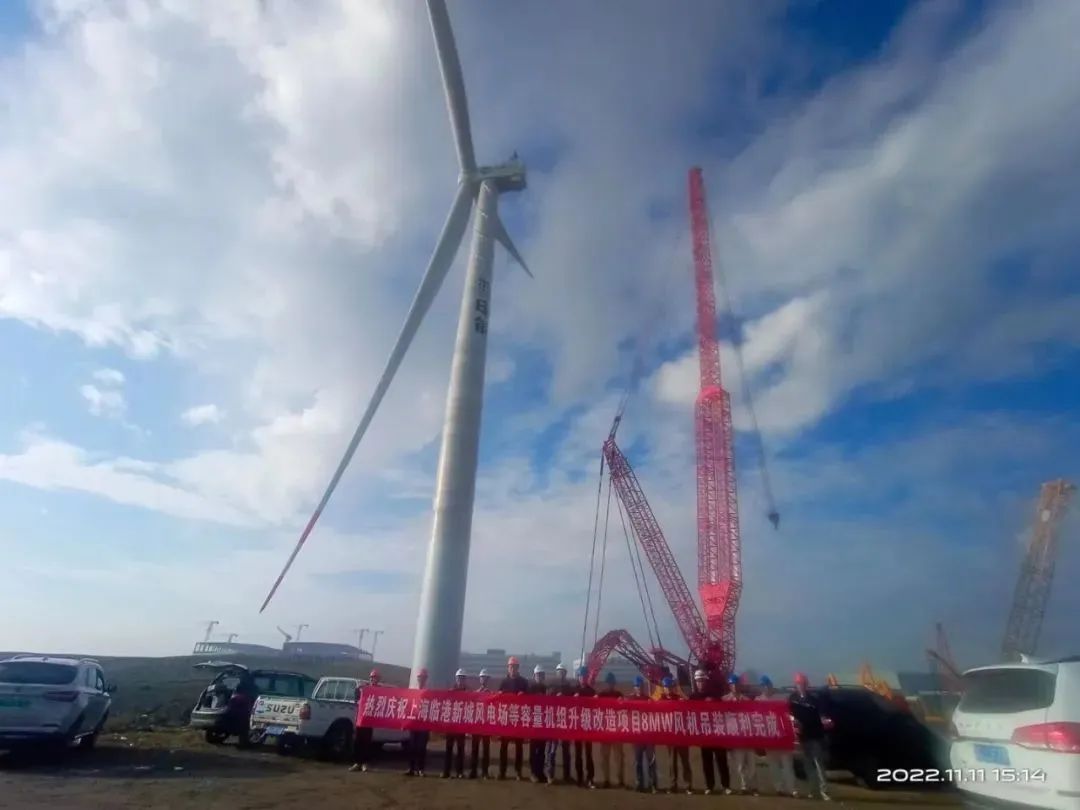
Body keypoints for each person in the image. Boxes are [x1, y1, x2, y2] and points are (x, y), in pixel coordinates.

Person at [790, 672, 831, 801]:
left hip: (815, 736)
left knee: (819, 764)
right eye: (798, 683)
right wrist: (793, 720)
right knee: (808, 766)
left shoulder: (814, 699)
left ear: (806, 685)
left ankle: (824, 791)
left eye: (802, 683)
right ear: (795, 685)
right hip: (803, 737)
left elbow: (821, 715)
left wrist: (825, 720)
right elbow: (789, 714)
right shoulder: (792, 699)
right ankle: (813, 791)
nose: (800, 685)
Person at [689, 668, 729, 795]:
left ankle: (726, 785)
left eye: (701, 681)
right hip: (704, 733)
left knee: (721, 760)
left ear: (705, 681)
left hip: (717, 732)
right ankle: (709, 786)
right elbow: (688, 714)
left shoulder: (715, 695)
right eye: (698, 681)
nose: (700, 683)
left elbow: (724, 711)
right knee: (706, 761)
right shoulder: (693, 697)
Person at [758, 675, 797, 797]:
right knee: (773, 765)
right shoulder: (758, 701)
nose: (765, 688)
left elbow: (789, 715)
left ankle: (792, 789)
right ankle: (779, 788)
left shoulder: (780, 699)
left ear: (771, 685)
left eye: (767, 685)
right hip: (769, 738)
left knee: (787, 765)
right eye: (763, 686)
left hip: (783, 737)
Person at [722, 673, 756, 795]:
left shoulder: (747, 700)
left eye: (736, 684)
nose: (734, 686)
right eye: (732, 684)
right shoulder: (724, 700)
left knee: (752, 764)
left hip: (748, 736)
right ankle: (744, 786)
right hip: (736, 737)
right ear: (730, 686)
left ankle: (753, 787)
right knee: (740, 765)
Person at [659, 676, 693, 794]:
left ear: (673, 687)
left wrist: (683, 697)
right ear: (663, 688)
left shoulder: (679, 699)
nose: (668, 689)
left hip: (681, 735)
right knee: (671, 762)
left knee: (685, 761)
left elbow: (690, 706)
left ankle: (688, 785)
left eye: (669, 687)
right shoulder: (660, 702)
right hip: (670, 737)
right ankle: (673, 785)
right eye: (666, 687)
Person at [498, 656, 529, 780]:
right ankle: (502, 771)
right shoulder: (503, 682)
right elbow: (497, 699)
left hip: (518, 718)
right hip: (506, 719)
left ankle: (518, 771)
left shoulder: (523, 682)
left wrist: (524, 695)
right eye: (511, 666)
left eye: (515, 667)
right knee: (503, 746)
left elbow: (530, 700)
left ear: (518, 668)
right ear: (508, 668)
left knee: (519, 747)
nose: (513, 669)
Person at [545, 663, 574, 784]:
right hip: (553, 722)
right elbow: (546, 699)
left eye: (563, 671)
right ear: (556, 672)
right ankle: (550, 775)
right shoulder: (551, 686)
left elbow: (574, 702)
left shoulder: (569, 687)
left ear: (565, 673)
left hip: (565, 722)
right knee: (551, 750)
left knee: (566, 751)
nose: (561, 673)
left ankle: (567, 775)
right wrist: (555, 695)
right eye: (559, 671)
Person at [596, 672, 626, 789]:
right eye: (609, 683)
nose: (610, 685)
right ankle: (606, 780)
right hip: (605, 732)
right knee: (605, 757)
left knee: (619, 757)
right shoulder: (601, 695)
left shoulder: (619, 694)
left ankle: (621, 780)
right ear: (606, 683)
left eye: (612, 683)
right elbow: (591, 704)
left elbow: (627, 706)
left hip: (617, 732)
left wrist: (623, 700)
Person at [628, 675, 657, 793]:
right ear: (634, 687)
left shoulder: (648, 700)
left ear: (642, 687)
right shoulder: (630, 700)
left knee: (651, 761)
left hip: (649, 735)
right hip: (637, 735)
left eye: (639, 685)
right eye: (636, 686)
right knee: (638, 761)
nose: (638, 688)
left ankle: (653, 784)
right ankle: (639, 783)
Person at [349, 669, 382, 773]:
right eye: (372, 677)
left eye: (375, 677)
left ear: (378, 679)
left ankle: (365, 763)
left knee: (367, 742)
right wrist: (358, 689)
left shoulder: (380, 690)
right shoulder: (364, 688)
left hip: (369, 720)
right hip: (361, 719)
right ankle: (357, 763)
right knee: (358, 741)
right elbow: (356, 697)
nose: (373, 679)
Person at [441, 669, 469, 779]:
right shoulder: (450, 692)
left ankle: (459, 772)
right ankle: (446, 771)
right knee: (448, 749)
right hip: (451, 726)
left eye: (462, 678)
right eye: (459, 678)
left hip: (461, 726)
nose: (460, 680)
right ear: (456, 679)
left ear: (464, 680)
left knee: (460, 750)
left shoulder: (468, 693)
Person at [573, 666, 596, 789]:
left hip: (587, 725)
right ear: (578, 677)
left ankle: (590, 778)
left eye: (585, 676)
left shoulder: (591, 691)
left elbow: (598, 705)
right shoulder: (574, 691)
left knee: (588, 754)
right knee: (578, 754)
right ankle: (579, 778)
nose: (583, 678)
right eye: (581, 676)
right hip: (577, 725)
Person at [405, 668, 430, 777]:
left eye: (423, 677)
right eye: (420, 677)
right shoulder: (413, 691)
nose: (421, 679)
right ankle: (411, 768)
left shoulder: (429, 692)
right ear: (418, 678)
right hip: (413, 723)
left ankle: (420, 769)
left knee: (421, 747)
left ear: (426, 679)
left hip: (424, 725)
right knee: (412, 747)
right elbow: (408, 705)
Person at [469, 668, 493, 779]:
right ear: (480, 679)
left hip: (486, 725)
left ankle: (485, 772)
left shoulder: (491, 694)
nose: (484, 679)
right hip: (476, 725)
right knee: (474, 749)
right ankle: (473, 771)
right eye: (482, 677)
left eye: (485, 677)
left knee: (486, 749)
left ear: (488, 679)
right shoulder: (475, 694)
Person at [528, 664, 548, 783]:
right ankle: (533, 772)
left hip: (543, 723)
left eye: (541, 675)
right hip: (533, 723)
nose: (539, 677)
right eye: (537, 675)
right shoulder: (530, 689)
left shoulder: (546, 689)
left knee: (542, 750)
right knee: (533, 750)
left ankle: (540, 772)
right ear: (534, 676)